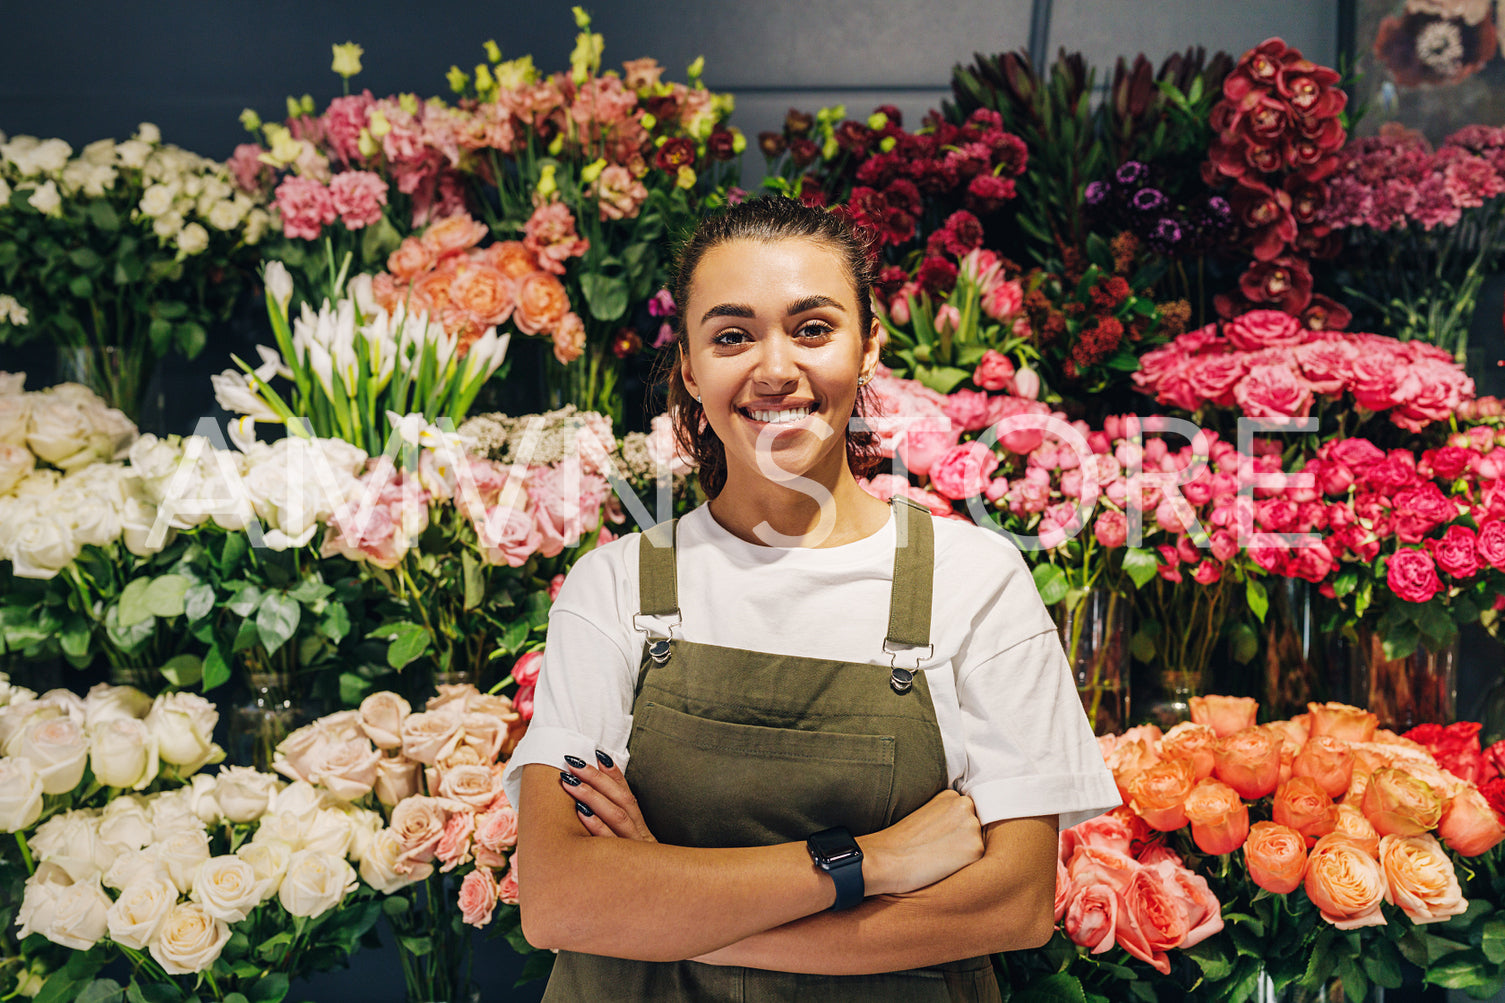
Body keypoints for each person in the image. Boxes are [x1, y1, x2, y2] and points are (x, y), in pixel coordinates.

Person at [500, 196, 1119, 1001]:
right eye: (731, 336)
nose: (774, 368)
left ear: (867, 348)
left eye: (812, 328)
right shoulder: (612, 588)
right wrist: (872, 861)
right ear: (688, 367)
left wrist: (669, 912)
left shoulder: (975, 581)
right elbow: (560, 903)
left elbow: (1015, 904)